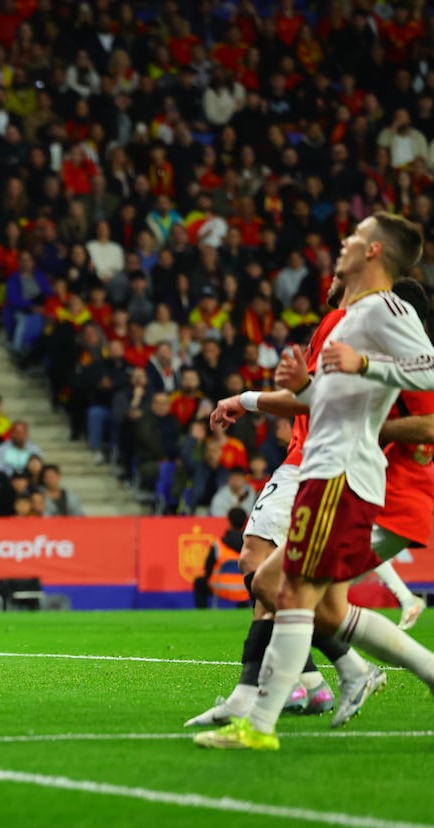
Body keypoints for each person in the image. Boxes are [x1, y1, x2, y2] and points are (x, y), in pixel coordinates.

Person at [198, 214, 434, 750]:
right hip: (324, 471)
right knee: (299, 595)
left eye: (355, 236)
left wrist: (365, 363)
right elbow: (322, 400)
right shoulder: (345, 318)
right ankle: (300, 700)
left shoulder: (388, 308)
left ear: (374, 251)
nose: (343, 243)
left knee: (289, 589)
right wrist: (299, 387)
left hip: (343, 474)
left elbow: (428, 371)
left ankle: (258, 723)